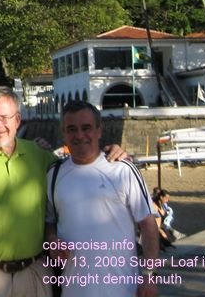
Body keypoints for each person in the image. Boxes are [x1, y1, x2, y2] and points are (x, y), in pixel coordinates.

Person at [0, 86, 127, 297]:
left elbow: (79, 166)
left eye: (5, 117)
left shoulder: (40, 156)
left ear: (18, 120)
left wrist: (112, 154)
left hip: (34, 272)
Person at [46, 101, 159, 297]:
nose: (80, 135)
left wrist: (149, 276)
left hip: (122, 290)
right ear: (63, 133)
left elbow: (148, 226)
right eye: (72, 129)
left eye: (86, 128)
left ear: (99, 130)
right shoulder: (53, 175)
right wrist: (52, 242)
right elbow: (50, 223)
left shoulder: (123, 169)